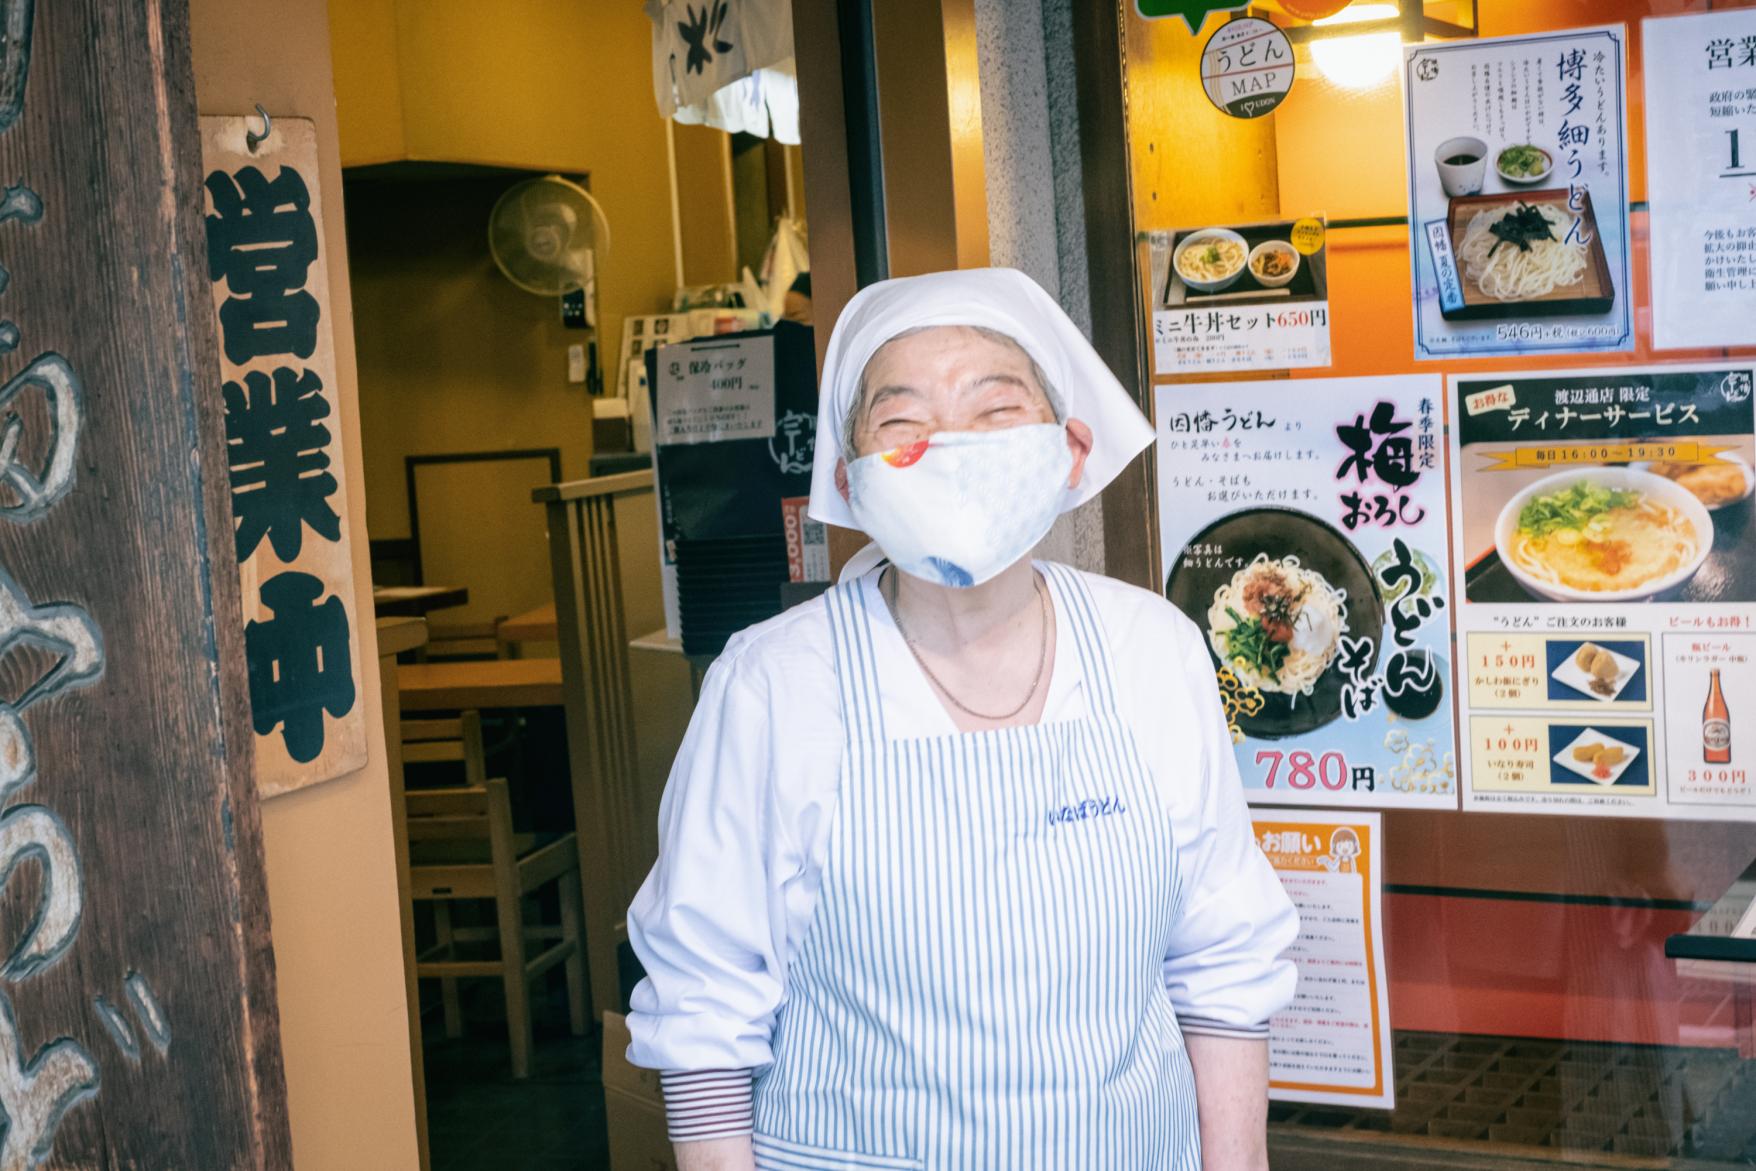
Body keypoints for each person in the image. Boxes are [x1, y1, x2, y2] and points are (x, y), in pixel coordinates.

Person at [627, 268, 1298, 1171]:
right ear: (848, 480)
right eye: (901, 422)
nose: (947, 446)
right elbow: (703, 1008)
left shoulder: (1152, 649)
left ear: (1070, 450)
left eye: (994, 409)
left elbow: (1222, 959)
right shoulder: (774, 682)